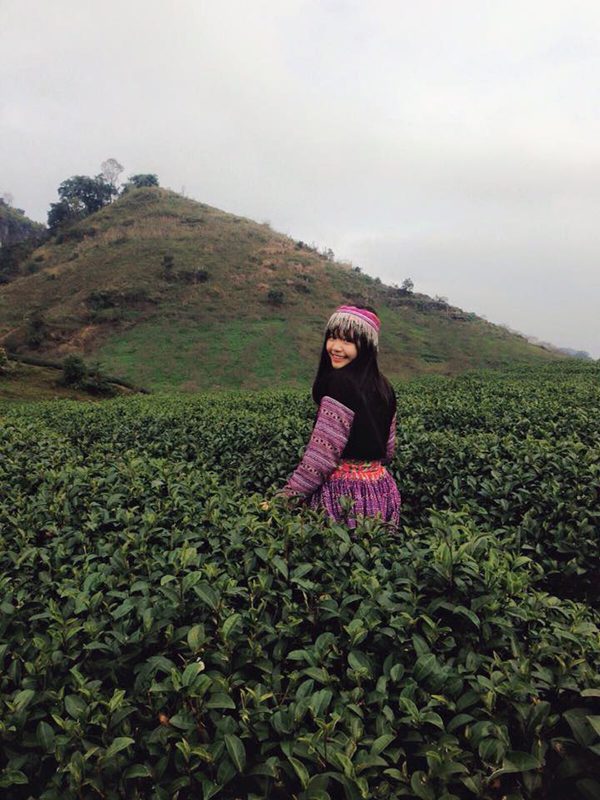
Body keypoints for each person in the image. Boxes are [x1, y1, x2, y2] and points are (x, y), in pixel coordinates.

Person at [281, 304, 400, 528]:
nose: (335, 347)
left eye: (347, 341)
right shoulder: (385, 386)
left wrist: (287, 498)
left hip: (344, 496)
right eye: (333, 338)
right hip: (381, 490)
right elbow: (388, 449)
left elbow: (322, 456)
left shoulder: (339, 383)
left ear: (365, 346)